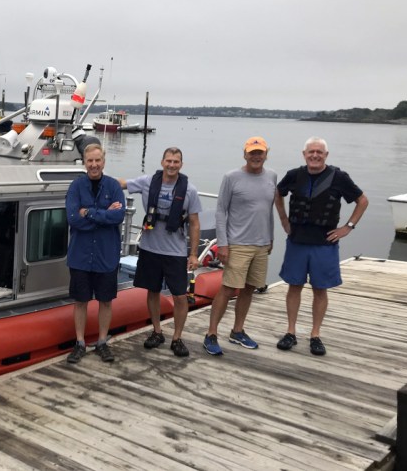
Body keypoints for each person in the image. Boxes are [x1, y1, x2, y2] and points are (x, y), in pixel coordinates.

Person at [274, 137, 369, 356]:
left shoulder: (339, 177)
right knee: (294, 286)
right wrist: (283, 220)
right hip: (297, 240)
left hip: (324, 243)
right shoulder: (294, 175)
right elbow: (277, 193)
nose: (315, 155)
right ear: (304, 154)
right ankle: (290, 332)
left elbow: (362, 200)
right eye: (311, 152)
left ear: (326, 155)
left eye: (319, 152)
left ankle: (315, 335)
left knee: (320, 289)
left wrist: (348, 227)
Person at [119, 147, 201, 357]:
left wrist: (193, 254)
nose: (172, 165)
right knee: (152, 291)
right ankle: (157, 331)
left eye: (176, 162)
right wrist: (94, 176)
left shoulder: (189, 190)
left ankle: (177, 337)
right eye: (169, 161)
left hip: (175, 251)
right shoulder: (148, 182)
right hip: (149, 248)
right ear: (162, 162)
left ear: (181, 164)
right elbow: (123, 184)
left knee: (180, 296)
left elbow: (194, 222)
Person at [203, 136, 277, 356]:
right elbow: (220, 211)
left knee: (249, 289)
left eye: (260, 152)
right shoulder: (231, 177)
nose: (256, 156)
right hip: (237, 244)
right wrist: (223, 244)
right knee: (227, 289)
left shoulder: (272, 176)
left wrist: (271, 237)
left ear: (266, 154)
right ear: (245, 154)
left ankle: (237, 331)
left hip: (262, 244)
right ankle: (211, 334)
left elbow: (268, 209)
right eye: (252, 152)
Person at [65, 143, 126, 364]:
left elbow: (118, 216)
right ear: (84, 162)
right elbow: (72, 218)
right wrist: (102, 216)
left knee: (105, 301)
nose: (94, 165)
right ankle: (79, 342)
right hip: (80, 256)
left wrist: (89, 213)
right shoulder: (75, 187)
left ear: (104, 161)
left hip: (106, 255)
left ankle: (102, 341)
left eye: (97, 160)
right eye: (90, 160)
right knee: (80, 301)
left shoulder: (114, 186)